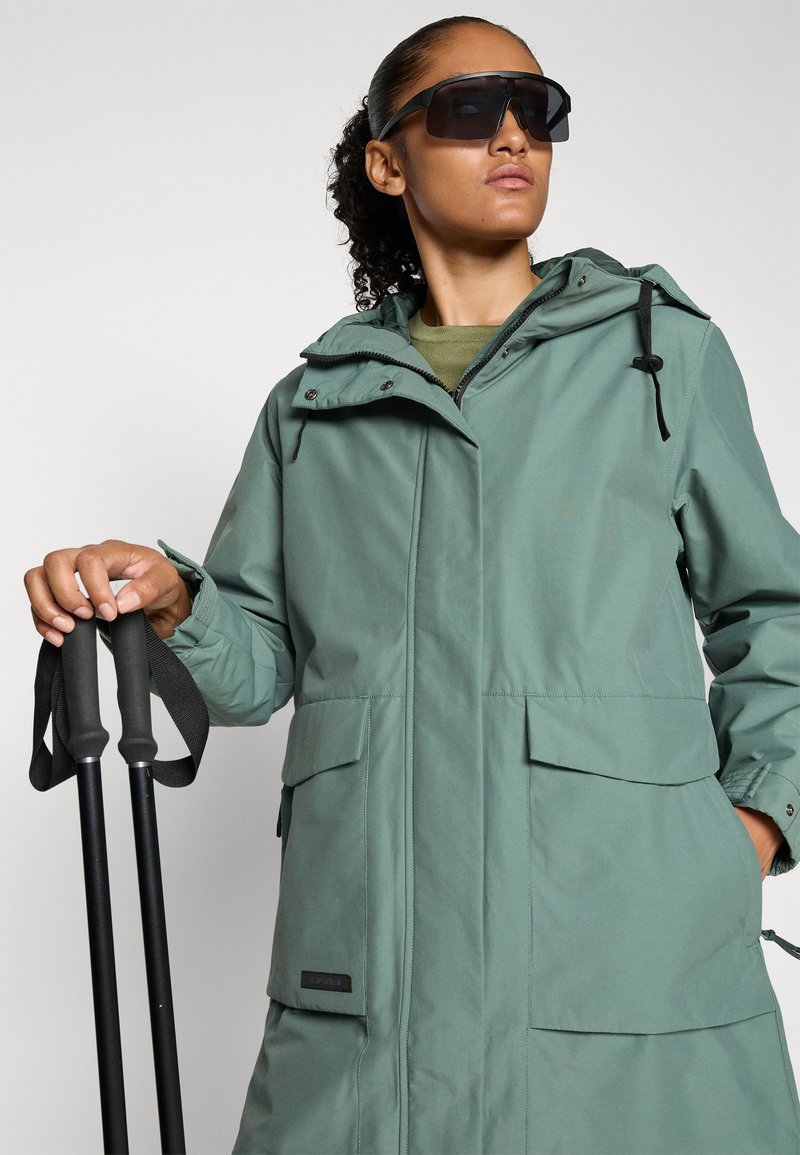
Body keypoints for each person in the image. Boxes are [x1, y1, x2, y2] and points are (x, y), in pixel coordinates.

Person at [23, 15, 800, 1155]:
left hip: (622, 939)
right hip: (371, 962)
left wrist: (751, 829)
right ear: (388, 162)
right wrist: (175, 601)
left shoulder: (658, 357)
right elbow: (256, 669)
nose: (512, 137)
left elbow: (771, 610)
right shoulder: (314, 405)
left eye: (537, 110)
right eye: (469, 108)